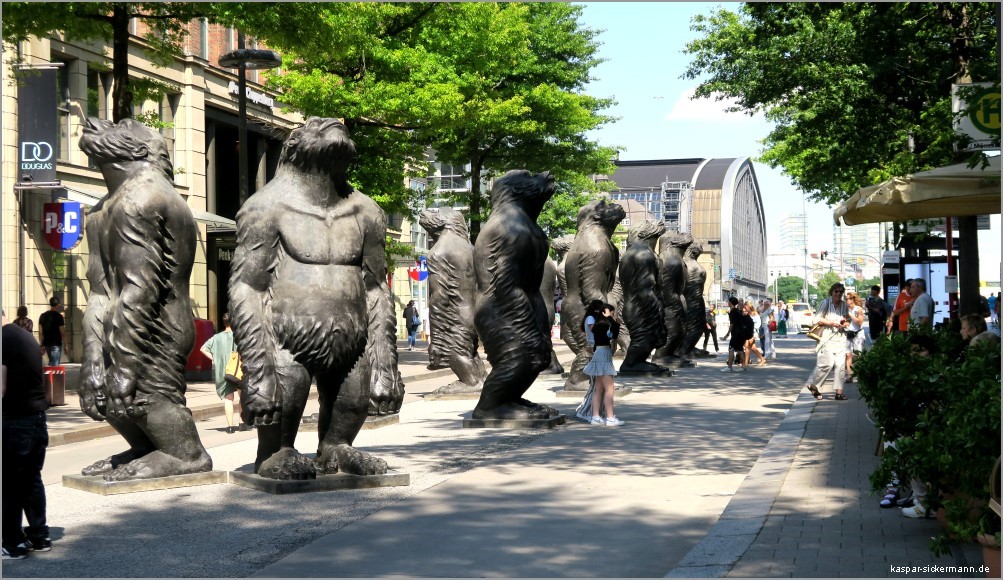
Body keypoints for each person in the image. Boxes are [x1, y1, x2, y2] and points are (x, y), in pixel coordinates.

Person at [2, 310, 51, 559]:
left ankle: (12, 543)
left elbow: (1, 388)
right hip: (37, 419)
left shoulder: (3, 340)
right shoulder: (25, 337)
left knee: (10, 483)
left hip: (16, 422)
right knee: (32, 480)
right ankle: (40, 536)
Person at [804, 283, 851, 401]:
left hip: (840, 337)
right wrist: (830, 323)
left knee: (840, 366)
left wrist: (844, 323)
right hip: (827, 338)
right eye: (836, 291)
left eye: (841, 292)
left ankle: (839, 393)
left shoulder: (844, 305)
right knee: (827, 364)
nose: (838, 294)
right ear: (832, 292)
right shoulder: (826, 303)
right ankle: (814, 386)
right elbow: (816, 319)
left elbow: (847, 319)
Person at [199, 313, 244, 434]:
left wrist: (213, 358)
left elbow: (202, 348)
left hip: (222, 372)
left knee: (228, 399)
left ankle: (230, 427)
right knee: (242, 395)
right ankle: (242, 422)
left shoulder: (216, 337)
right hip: (237, 370)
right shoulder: (238, 336)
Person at [582, 303, 624, 426]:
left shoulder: (598, 326)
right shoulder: (603, 326)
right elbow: (615, 331)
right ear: (606, 312)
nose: (614, 315)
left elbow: (614, 333)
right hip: (603, 354)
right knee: (609, 388)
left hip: (600, 354)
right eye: (612, 312)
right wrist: (612, 319)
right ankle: (610, 418)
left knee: (598, 388)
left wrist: (613, 320)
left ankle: (596, 417)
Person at [575, 300, 606, 420]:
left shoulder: (590, 319)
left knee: (597, 384)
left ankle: (594, 411)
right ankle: (588, 411)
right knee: (595, 384)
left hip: (596, 350)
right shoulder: (591, 320)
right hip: (594, 351)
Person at [844, 291, 866, 382]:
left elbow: (859, 322)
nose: (847, 301)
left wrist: (851, 315)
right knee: (848, 355)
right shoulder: (845, 309)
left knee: (858, 355)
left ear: (853, 300)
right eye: (846, 299)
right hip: (848, 334)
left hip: (858, 334)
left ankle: (861, 374)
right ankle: (850, 376)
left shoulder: (858, 309)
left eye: (849, 299)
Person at [720, 296, 747, 372]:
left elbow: (732, 324)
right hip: (740, 333)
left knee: (731, 349)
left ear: (731, 303)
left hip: (736, 333)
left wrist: (727, 334)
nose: (727, 303)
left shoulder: (733, 312)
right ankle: (743, 366)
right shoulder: (737, 311)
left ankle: (729, 367)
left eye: (728, 301)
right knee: (740, 350)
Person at [37, 297, 65, 366]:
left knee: (52, 362)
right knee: (55, 365)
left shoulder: (42, 316)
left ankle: (50, 376)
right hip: (56, 343)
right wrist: (66, 344)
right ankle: (53, 376)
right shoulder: (59, 317)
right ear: (58, 305)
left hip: (47, 343)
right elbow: (63, 332)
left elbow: (40, 332)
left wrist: (41, 345)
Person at [745, 302, 766, 366]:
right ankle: (762, 359)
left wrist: (752, 328)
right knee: (753, 348)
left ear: (749, 307)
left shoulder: (755, 314)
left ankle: (746, 363)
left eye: (745, 307)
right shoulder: (747, 314)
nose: (744, 309)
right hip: (748, 332)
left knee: (747, 347)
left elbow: (758, 324)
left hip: (753, 332)